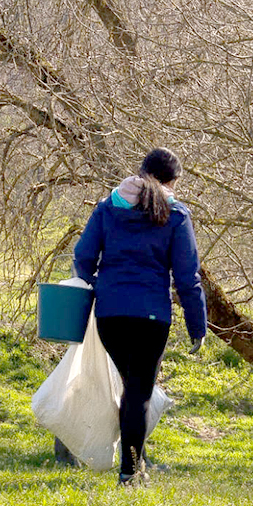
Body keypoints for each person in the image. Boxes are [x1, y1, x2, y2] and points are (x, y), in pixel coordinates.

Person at [72, 147, 207, 486]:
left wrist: (89, 289)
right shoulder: (175, 214)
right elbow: (187, 277)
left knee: (132, 388)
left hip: (110, 314)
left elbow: (83, 256)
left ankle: (135, 464)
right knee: (138, 393)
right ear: (171, 181)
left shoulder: (107, 207)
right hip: (151, 316)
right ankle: (130, 473)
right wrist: (197, 325)